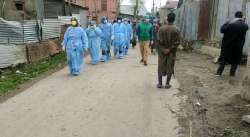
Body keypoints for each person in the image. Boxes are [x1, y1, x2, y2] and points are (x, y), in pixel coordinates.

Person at [216, 11, 249, 77]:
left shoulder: (230, 24)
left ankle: (218, 73)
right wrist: (243, 21)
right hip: (238, 46)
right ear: (242, 17)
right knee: (235, 61)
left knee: (224, 59)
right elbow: (246, 28)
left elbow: (222, 30)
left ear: (235, 16)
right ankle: (232, 74)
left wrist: (226, 23)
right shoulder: (244, 25)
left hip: (227, 46)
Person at [157, 13, 181, 89]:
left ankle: (160, 83)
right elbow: (177, 42)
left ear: (167, 19)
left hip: (162, 51)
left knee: (160, 66)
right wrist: (169, 49)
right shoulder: (176, 30)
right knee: (170, 67)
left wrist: (163, 49)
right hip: (171, 52)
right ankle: (167, 83)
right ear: (174, 19)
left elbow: (158, 41)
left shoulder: (161, 29)